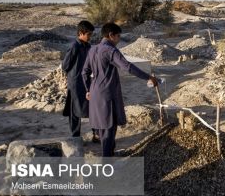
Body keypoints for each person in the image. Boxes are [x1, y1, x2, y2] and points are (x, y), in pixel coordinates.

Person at [82, 22, 158, 157]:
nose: (118, 40)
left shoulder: (92, 49)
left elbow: (84, 72)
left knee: (102, 129)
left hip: (94, 94)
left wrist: (88, 89)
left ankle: (109, 154)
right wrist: (148, 77)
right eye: (118, 36)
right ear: (111, 35)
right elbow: (127, 67)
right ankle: (108, 164)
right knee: (109, 130)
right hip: (107, 95)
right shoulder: (110, 50)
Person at [62, 20, 99, 142]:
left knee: (92, 108)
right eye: (88, 34)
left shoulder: (88, 46)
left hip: (87, 82)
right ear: (81, 33)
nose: (90, 37)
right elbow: (65, 65)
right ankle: (75, 137)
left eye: (91, 34)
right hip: (75, 84)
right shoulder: (74, 46)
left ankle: (96, 134)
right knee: (75, 111)